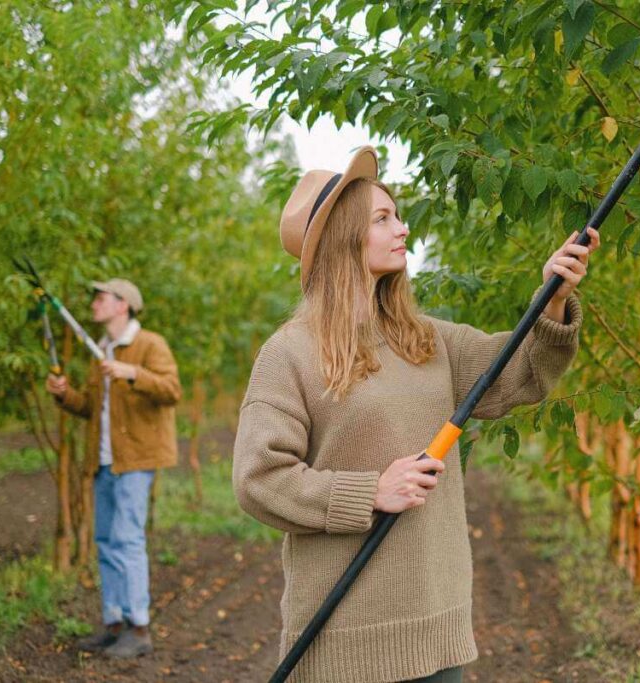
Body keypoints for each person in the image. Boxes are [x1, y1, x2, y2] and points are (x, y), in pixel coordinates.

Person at [233, 146, 598, 682]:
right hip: (343, 633)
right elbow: (258, 479)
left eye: (397, 215)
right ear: (343, 237)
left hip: (437, 625)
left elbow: (519, 370)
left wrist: (551, 301)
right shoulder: (290, 354)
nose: (402, 228)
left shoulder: (425, 340)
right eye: (383, 219)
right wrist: (368, 491)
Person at [46, 278, 181, 659]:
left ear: (123, 305)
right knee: (105, 541)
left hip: (136, 460)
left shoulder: (149, 344)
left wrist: (132, 373)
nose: (94, 304)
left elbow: (172, 389)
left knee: (128, 539)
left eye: (101, 298)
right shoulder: (101, 350)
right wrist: (63, 395)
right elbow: (90, 407)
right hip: (104, 461)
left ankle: (139, 628)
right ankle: (114, 623)